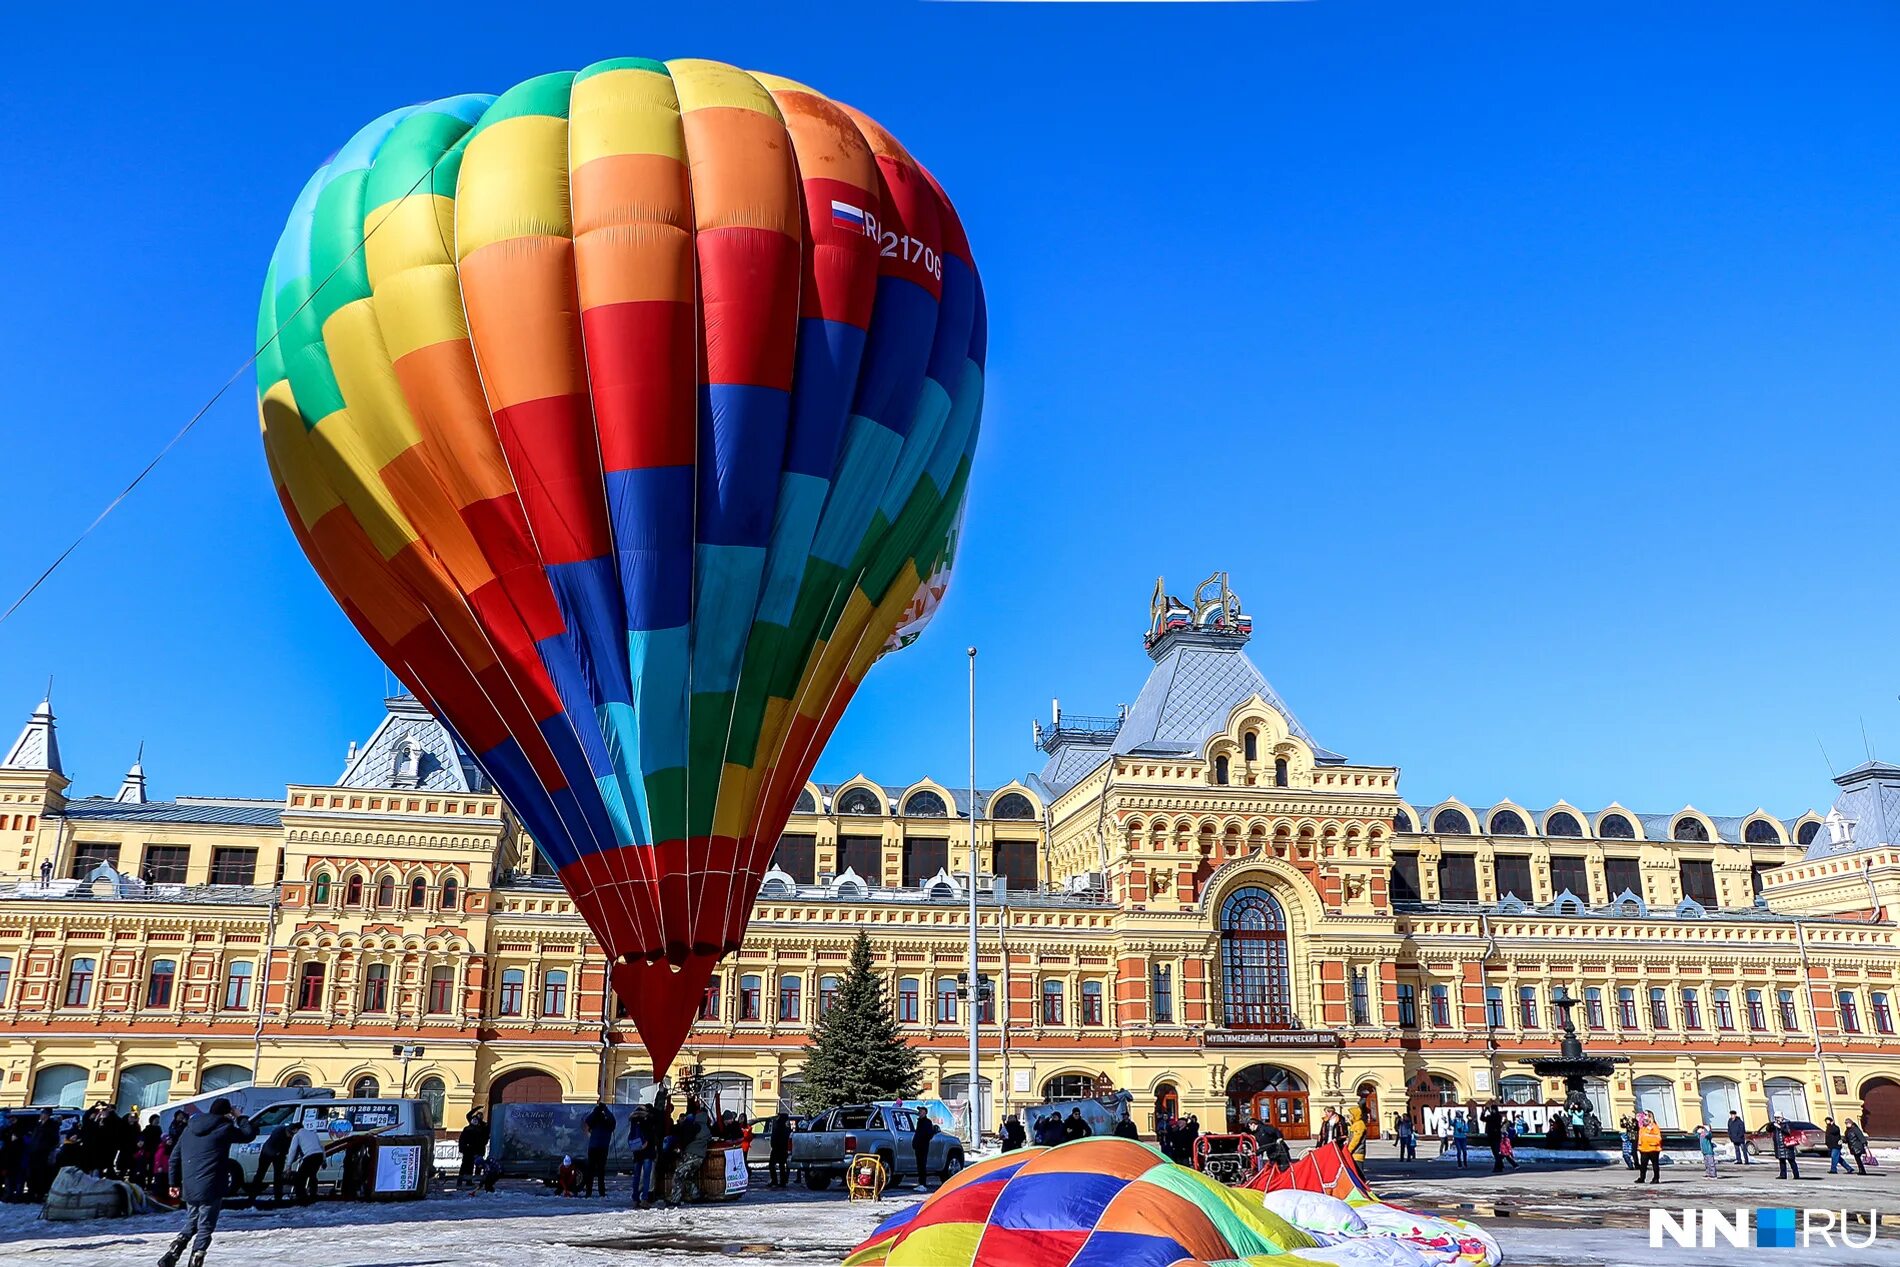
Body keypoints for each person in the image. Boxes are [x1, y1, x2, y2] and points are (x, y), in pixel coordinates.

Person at [161, 1096, 260, 1267]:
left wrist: (173, 1183)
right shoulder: (224, 1127)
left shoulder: (189, 1128)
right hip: (212, 1184)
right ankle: (196, 1260)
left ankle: (173, 1252)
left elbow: (174, 1158)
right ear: (227, 1112)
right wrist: (239, 1116)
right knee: (205, 1225)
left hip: (190, 1184)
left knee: (192, 1221)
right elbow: (248, 1134)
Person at [285, 1109, 330, 1205]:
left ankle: (301, 1198)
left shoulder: (297, 1135)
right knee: (312, 1175)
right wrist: (324, 1160)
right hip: (318, 1156)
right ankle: (313, 1194)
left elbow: (292, 1150)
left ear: (295, 1129)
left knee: (300, 1178)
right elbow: (321, 1147)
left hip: (310, 1157)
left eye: (291, 1131)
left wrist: (288, 1165)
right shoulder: (312, 1133)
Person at [249, 1120, 296, 1202]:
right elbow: (275, 1146)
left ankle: (278, 1197)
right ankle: (252, 1196)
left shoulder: (290, 1136)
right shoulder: (278, 1132)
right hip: (268, 1153)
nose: (290, 1136)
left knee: (278, 1176)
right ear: (287, 1131)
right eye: (290, 1134)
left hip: (279, 1154)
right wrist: (281, 1153)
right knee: (261, 1173)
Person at [583, 1102, 615, 1198]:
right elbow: (613, 1120)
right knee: (601, 1171)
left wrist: (596, 1110)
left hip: (593, 1148)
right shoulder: (609, 1124)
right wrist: (605, 1109)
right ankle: (602, 1192)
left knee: (590, 1171)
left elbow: (587, 1120)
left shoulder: (595, 1123)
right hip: (603, 1148)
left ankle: (588, 1193)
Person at [629, 1105, 659, 1207]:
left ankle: (635, 1198)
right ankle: (644, 1199)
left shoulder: (634, 1120)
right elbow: (651, 1135)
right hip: (648, 1151)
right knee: (646, 1176)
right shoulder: (649, 1119)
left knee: (636, 1176)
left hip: (637, 1151)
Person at [457, 1110, 489, 1188]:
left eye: (476, 1120)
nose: (475, 1121)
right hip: (467, 1150)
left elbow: (481, 1140)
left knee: (470, 1166)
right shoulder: (467, 1129)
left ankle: (468, 1180)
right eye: (473, 1120)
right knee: (465, 1165)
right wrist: (462, 1147)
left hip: (473, 1150)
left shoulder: (480, 1129)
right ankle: (460, 1181)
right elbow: (462, 1139)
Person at [910, 1108, 940, 1192]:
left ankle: (923, 1184)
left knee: (922, 1165)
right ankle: (921, 1183)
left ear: (925, 1113)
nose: (919, 1112)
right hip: (918, 1146)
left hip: (923, 1146)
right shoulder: (920, 1121)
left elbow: (929, 1134)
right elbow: (917, 1133)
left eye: (921, 1111)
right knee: (919, 1165)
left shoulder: (927, 1122)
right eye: (919, 1111)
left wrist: (922, 1141)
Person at [766, 1107, 794, 1189]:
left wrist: (773, 1145)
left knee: (772, 1165)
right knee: (782, 1166)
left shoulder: (778, 1125)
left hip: (777, 1149)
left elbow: (774, 1137)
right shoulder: (786, 1127)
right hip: (782, 1149)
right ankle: (782, 1181)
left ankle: (775, 1180)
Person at [1769, 1115, 1801, 1180]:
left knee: (1791, 1161)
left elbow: (1788, 1132)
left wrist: (1780, 1127)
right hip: (1779, 1146)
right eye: (1775, 1118)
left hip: (1787, 1145)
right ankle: (1783, 1175)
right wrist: (1771, 1124)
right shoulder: (1775, 1125)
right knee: (1782, 1161)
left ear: (1782, 1117)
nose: (1777, 1119)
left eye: (1778, 1117)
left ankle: (1796, 1175)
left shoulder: (1787, 1123)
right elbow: (1768, 1129)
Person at [1635, 1111, 1662, 1184]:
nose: (1643, 1117)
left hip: (1653, 1149)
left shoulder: (1654, 1126)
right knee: (1643, 1165)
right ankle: (1642, 1178)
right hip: (1644, 1149)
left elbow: (1658, 1137)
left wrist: (1650, 1141)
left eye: (1646, 1115)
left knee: (1655, 1164)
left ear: (1650, 1117)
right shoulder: (1643, 1127)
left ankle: (1656, 1178)